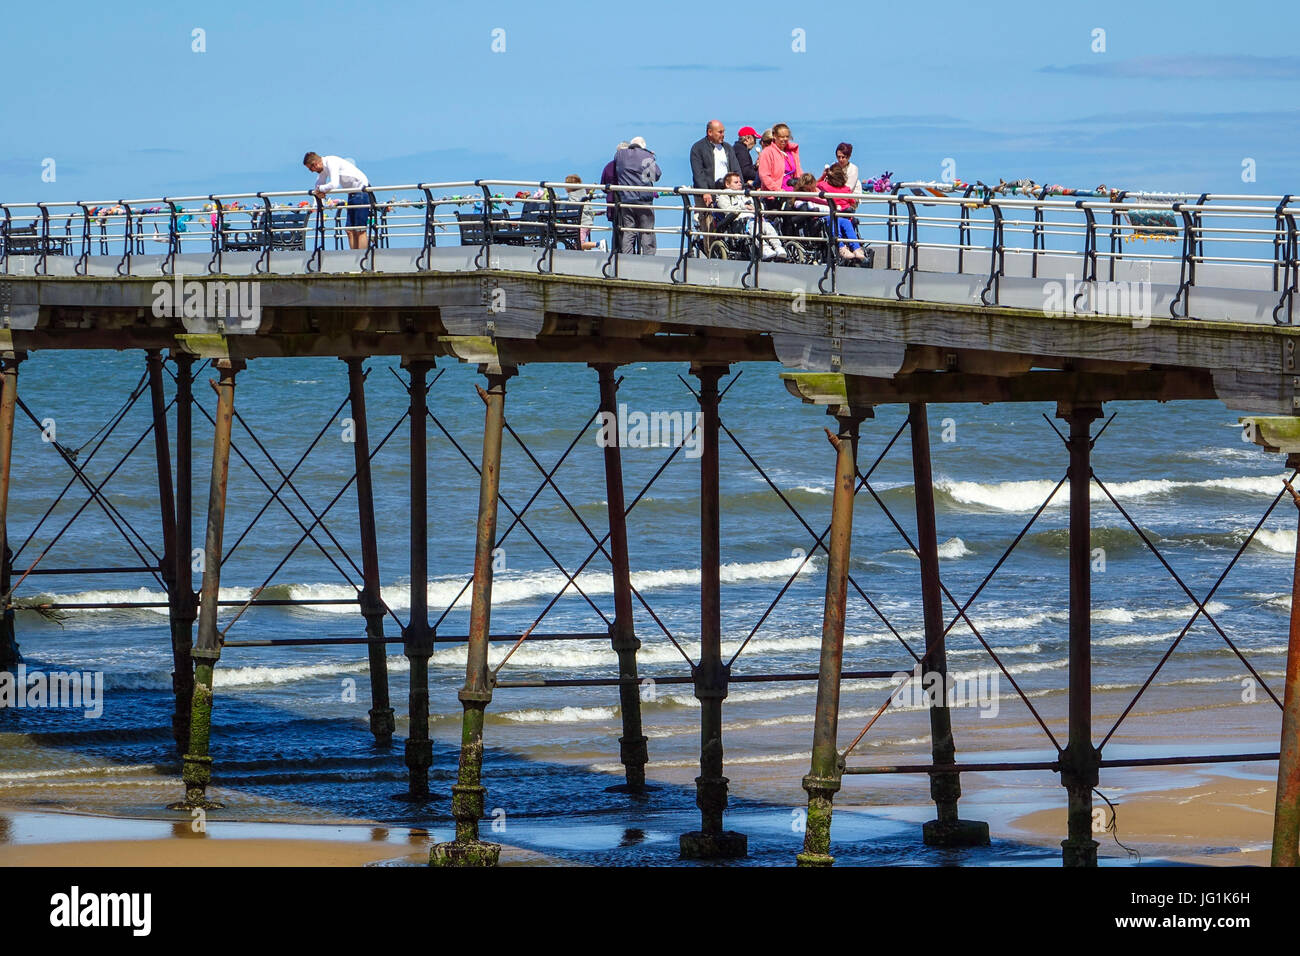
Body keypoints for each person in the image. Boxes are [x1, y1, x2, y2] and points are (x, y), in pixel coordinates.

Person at [303, 151, 371, 250]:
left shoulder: (331, 162)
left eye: (310, 168)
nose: (312, 171)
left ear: (315, 164)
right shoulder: (324, 168)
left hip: (361, 191)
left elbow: (334, 184)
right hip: (352, 193)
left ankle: (362, 258)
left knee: (360, 229)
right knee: (350, 230)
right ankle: (355, 257)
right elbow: (319, 182)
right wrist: (318, 190)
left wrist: (320, 189)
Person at [714, 171, 785, 260]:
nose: (739, 184)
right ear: (727, 184)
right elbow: (728, 210)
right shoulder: (723, 196)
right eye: (736, 182)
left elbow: (759, 205)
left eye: (740, 182)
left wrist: (755, 207)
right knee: (753, 226)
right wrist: (743, 207)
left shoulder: (746, 194)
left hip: (754, 217)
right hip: (739, 221)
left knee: (768, 226)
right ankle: (764, 248)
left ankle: (778, 247)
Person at [613, 136, 661, 255]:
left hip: (626, 199)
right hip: (643, 199)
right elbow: (656, 176)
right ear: (643, 146)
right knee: (646, 231)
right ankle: (649, 258)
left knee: (629, 231)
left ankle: (627, 258)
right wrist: (650, 156)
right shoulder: (646, 156)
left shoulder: (620, 155)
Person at [812, 165, 867, 264]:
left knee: (840, 221)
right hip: (840, 216)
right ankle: (851, 248)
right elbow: (853, 202)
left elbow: (813, 185)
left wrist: (822, 176)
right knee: (843, 221)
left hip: (834, 215)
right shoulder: (845, 189)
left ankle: (848, 248)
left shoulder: (823, 186)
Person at [689, 120, 741, 206]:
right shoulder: (698, 148)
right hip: (707, 194)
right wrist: (705, 191)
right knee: (708, 219)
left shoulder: (728, 148)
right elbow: (698, 173)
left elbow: (736, 169)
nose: (723, 135)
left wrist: (740, 188)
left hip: (727, 193)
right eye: (720, 132)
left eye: (723, 132)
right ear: (710, 132)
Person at [757, 123, 803, 198]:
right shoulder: (767, 152)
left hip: (794, 191)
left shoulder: (791, 152)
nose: (784, 139)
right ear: (774, 136)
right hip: (776, 195)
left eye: (787, 137)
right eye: (781, 137)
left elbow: (799, 172)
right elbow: (764, 175)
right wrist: (777, 190)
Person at [563, 174, 605, 251]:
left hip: (582, 223)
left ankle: (599, 244)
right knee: (578, 244)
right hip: (588, 223)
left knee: (579, 244)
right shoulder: (583, 192)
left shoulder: (572, 195)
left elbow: (571, 208)